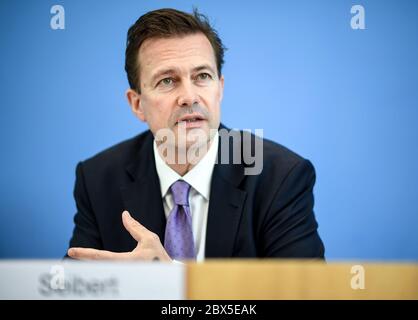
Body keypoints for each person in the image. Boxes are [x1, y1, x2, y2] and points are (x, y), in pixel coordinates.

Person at [67, 8, 325, 262]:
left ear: (219, 89)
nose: (190, 97)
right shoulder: (98, 179)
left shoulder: (279, 177)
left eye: (202, 76)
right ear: (137, 104)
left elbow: (306, 292)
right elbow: (73, 288)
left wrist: (168, 281)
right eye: (167, 80)